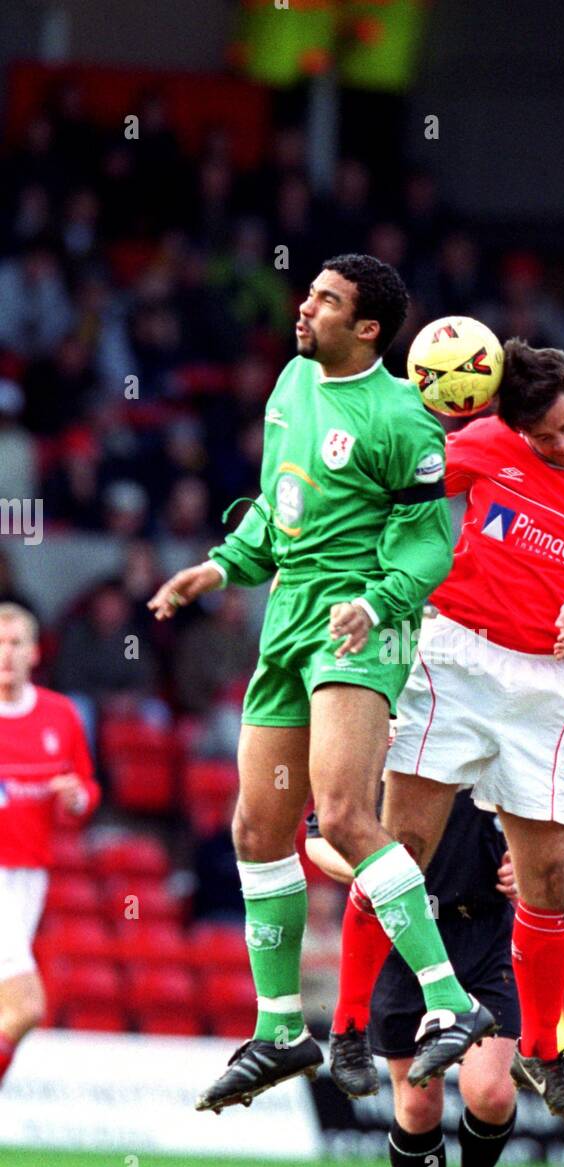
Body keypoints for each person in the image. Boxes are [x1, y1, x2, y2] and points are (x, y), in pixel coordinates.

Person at [148, 254, 494, 1114]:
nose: (305, 309)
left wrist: (376, 607)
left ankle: (452, 1003)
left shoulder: (406, 421)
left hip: (360, 628)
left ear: (368, 327)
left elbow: (428, 545)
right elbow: (277, 509)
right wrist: (218, 567)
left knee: (341, 815)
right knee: (256, 826)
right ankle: (280, 1034)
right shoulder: (292, 382)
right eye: (309, 295)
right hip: (289, 617)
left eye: (326, 301)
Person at [333, 339, 564, 1120]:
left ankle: (546, 1053)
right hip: (455, 657)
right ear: (515, 428)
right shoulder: (486, 443)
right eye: (545, 436)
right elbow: (397, 490)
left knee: (548, 882)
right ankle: (347, 1027)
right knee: (400, 855)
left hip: (546, 689)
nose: (563, 443)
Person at [306, 791, 519, 1167]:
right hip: (402, 936)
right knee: (419, 1106)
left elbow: (546, 824)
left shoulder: (495, 732)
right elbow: (318, 837)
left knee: (490, 1093)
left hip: (483, 934)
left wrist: (525, 866)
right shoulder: (384, 738)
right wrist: (368, 869)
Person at [0, 603, 100, 1088]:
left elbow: (84, 787)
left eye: (16, 642)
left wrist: (77, 799)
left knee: (7, 1014)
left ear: (34, 652)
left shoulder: (59, 715)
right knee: (28, 1004)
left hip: (31, 875)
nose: (6, 653)